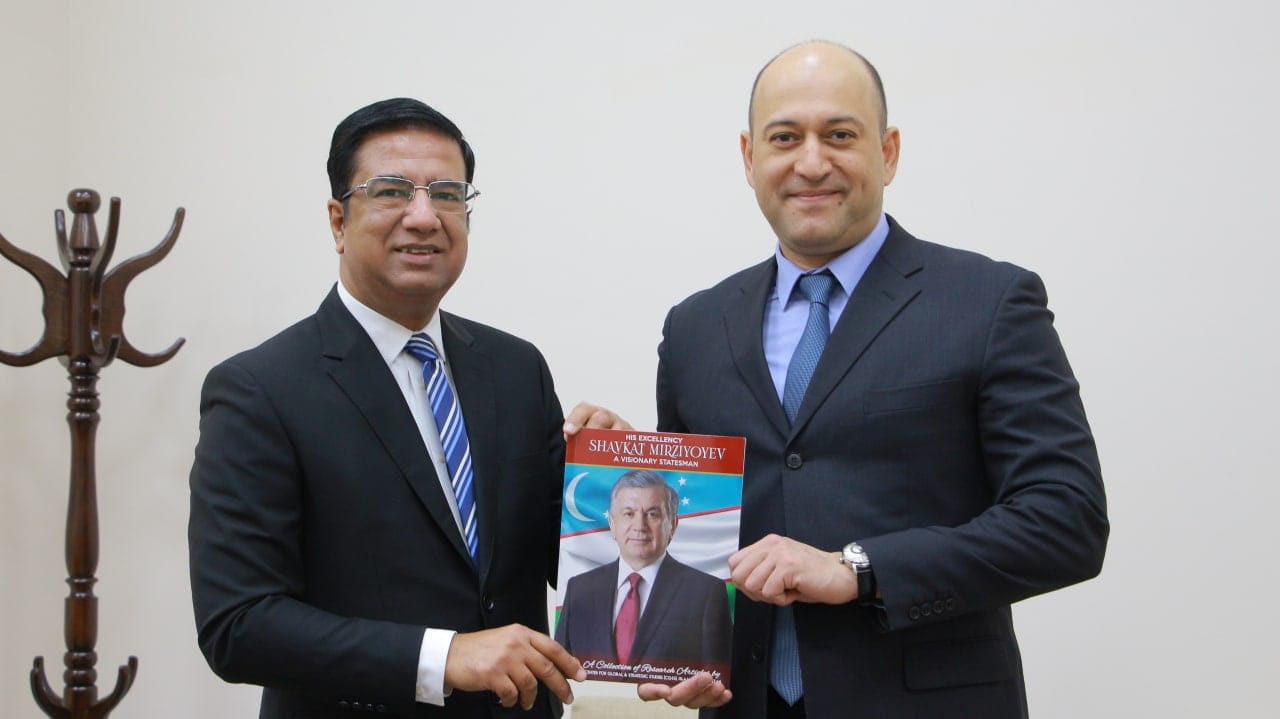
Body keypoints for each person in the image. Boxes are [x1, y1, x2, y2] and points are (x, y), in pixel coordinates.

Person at [644, 42, 1109, 718]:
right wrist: (620, 462)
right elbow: (694, 534)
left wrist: (858, 568)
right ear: (749, 157)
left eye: (839, 135)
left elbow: (1066, 521)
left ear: (888, 152)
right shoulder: (694, 327)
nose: (811, 163)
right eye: (784, 138)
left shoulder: (988, 302)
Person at [188, 97, 628, 719]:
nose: (424, 217)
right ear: (338, 221)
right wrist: (443, 657)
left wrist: (616, 477)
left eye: (447, 194)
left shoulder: (515, 368)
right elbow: (239, 625)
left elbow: (568, 557)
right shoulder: (259, 390)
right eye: (392, 191)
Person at [554, 470, 732, 677]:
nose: (640, 526)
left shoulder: (707, 592)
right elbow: (561, 672)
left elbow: (717, 680)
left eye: (652, 514)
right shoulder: (579, 589)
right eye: (629, 514)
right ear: (612, 523)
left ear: (672, 525)